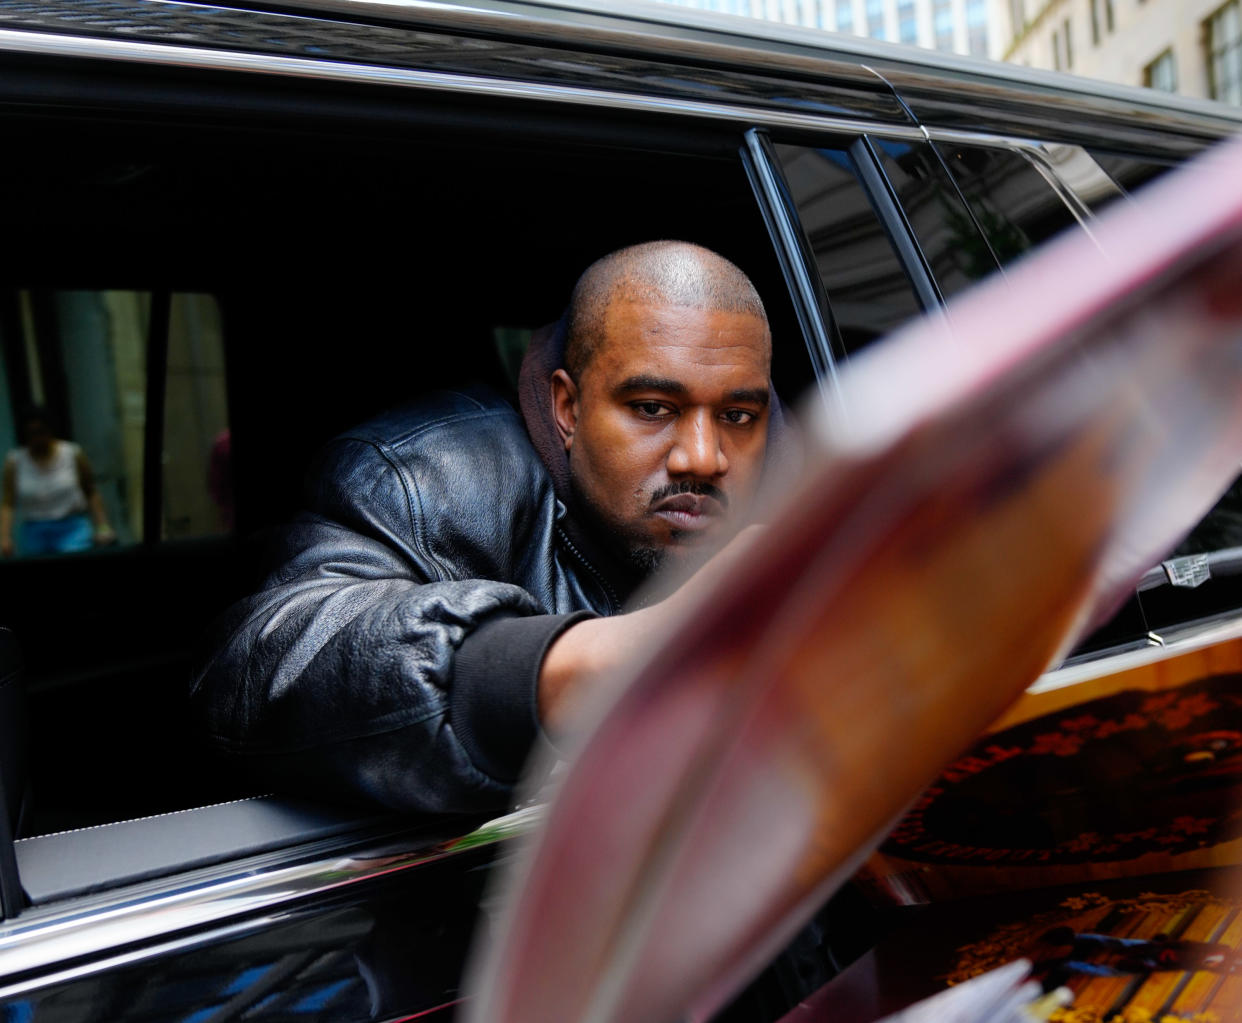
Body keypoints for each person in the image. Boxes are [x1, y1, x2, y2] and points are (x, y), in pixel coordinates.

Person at [191, 240, 783, 815]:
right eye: (653, 408)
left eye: (737, 416)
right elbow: (259, 672)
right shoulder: (422, 479)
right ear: (568, 410)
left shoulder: (802, 496)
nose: (704, 458)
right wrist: (579, 665)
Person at [1, 405, 116, 558]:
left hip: (72, 527)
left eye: (41, 432)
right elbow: (8, 502)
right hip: (35, 532)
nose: (37, 439)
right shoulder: (15, 462)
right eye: (32, 433)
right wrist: (4, 537)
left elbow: (90, 492)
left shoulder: (71, 453)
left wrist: (103, 526)